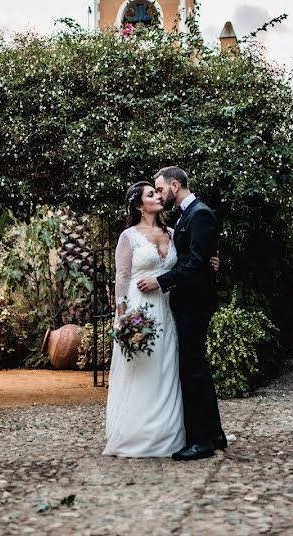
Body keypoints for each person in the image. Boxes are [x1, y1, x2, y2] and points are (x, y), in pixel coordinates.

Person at [104, 181, 221, 458]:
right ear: (138, 205)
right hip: (139, 308)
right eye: (150, 194)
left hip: (169, 309)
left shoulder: (173, 232)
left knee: (167, 367)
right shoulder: (128, 236)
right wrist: (122, 316)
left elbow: (191, 260)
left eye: (157, 191)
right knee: (142, 368)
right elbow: (121, 277)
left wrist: (211, 263)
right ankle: (139, 432)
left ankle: (170, 431)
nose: (157, 196)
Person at [137, 166, 226, 461]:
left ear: (175, 185)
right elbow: (198, 256)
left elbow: (197, 262)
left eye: (160, 189)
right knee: (195, 368)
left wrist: (161, 281)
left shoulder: (199, 213)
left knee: (193, 370)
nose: (159, 195)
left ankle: (201, 442)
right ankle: (214, 434)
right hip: (186, 302)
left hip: (195, 303)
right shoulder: (183, 216)